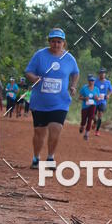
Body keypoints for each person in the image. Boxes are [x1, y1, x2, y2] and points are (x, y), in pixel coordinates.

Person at [25, 27, 79, 170]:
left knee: (56, 128)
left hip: (60, 102)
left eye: (59, 42)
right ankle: (36, 157)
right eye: (53, 41)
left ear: (64, 43)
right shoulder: (39, 55)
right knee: (39, 132)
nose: (56, 44)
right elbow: (28, 72)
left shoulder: (69, 58)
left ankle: (50, 157)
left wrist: (73, 86)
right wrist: (34, 78)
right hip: (40, 102)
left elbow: (75, 73)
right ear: (49, 42)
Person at [92, 67, 112, 136]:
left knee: (100, 115)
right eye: (101, 73)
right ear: (99, 74)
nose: (102, 74)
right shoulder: (95, 81)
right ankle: (95, 122)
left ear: (105, 74)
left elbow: (110, 90)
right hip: (95, 101)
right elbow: (91, 88)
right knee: (93, 116)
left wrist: (108, 95)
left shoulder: (108, 82)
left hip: (103, 101)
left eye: (103, 73)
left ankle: (97, 131)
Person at [79, 75, 101, 140]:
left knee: (90, 119)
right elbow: (79, 97)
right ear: (88, 81)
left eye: (92, 81)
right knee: (84, 120)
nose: (91, 82)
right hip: (85, 106)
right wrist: (84, 98)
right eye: (90, 81)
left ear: (94, 82)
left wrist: (97, 98)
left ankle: (86, 134)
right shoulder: (84, 88)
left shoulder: (96, 89)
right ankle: (82, 126)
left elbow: (98, 98)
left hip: (93, 105)